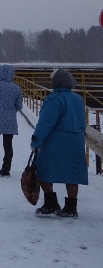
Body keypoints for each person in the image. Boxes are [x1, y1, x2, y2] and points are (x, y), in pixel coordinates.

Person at [31, 69, 88, 218]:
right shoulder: (78, 99)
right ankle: (71, 207)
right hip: (75, 141)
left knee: (43, 170)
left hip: (55, 141)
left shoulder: (54, 99)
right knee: (72, 173)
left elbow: (46, 122)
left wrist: (36, 140)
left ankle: (50, 203)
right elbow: (82, 121)